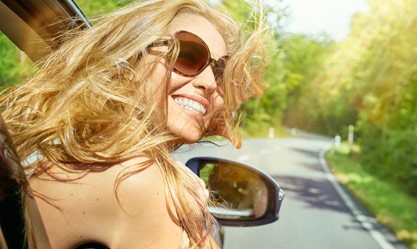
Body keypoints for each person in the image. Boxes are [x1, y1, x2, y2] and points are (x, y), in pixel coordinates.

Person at [0, 0, 267, 248]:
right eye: (187, 55)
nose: (209, 84)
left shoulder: (62, 148)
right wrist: (195, 222)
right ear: (129, 57)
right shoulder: (135, 179)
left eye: (221, 73)